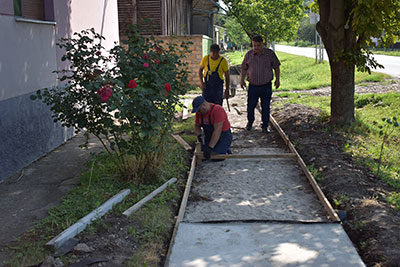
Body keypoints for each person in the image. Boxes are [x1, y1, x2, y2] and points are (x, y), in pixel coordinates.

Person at [240, 35, 280, 134]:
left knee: (265, 106)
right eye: (254, 45)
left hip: (266, 85)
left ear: (263, 44)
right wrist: (242, 80)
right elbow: (244, 68)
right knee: (251, 106)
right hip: (253, 86)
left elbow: (276, 67)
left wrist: (277, 80)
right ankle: (250, 123)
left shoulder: (269, 54)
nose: (256, 48)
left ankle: (265, 125)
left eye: (258, 45)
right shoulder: (249, 54)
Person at [192, 96, 232, 160]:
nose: (198, 112)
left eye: (199, 110)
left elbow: (217, 131)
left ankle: (225, 150)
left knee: (217, 157)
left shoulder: (218, 110)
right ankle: (220, 148)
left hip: (223, 135)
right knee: (204, 154)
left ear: (204, 105)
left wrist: (210, 147)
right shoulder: (199, 113)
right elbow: (196, 125)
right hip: (209, 135)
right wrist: (199, 135)